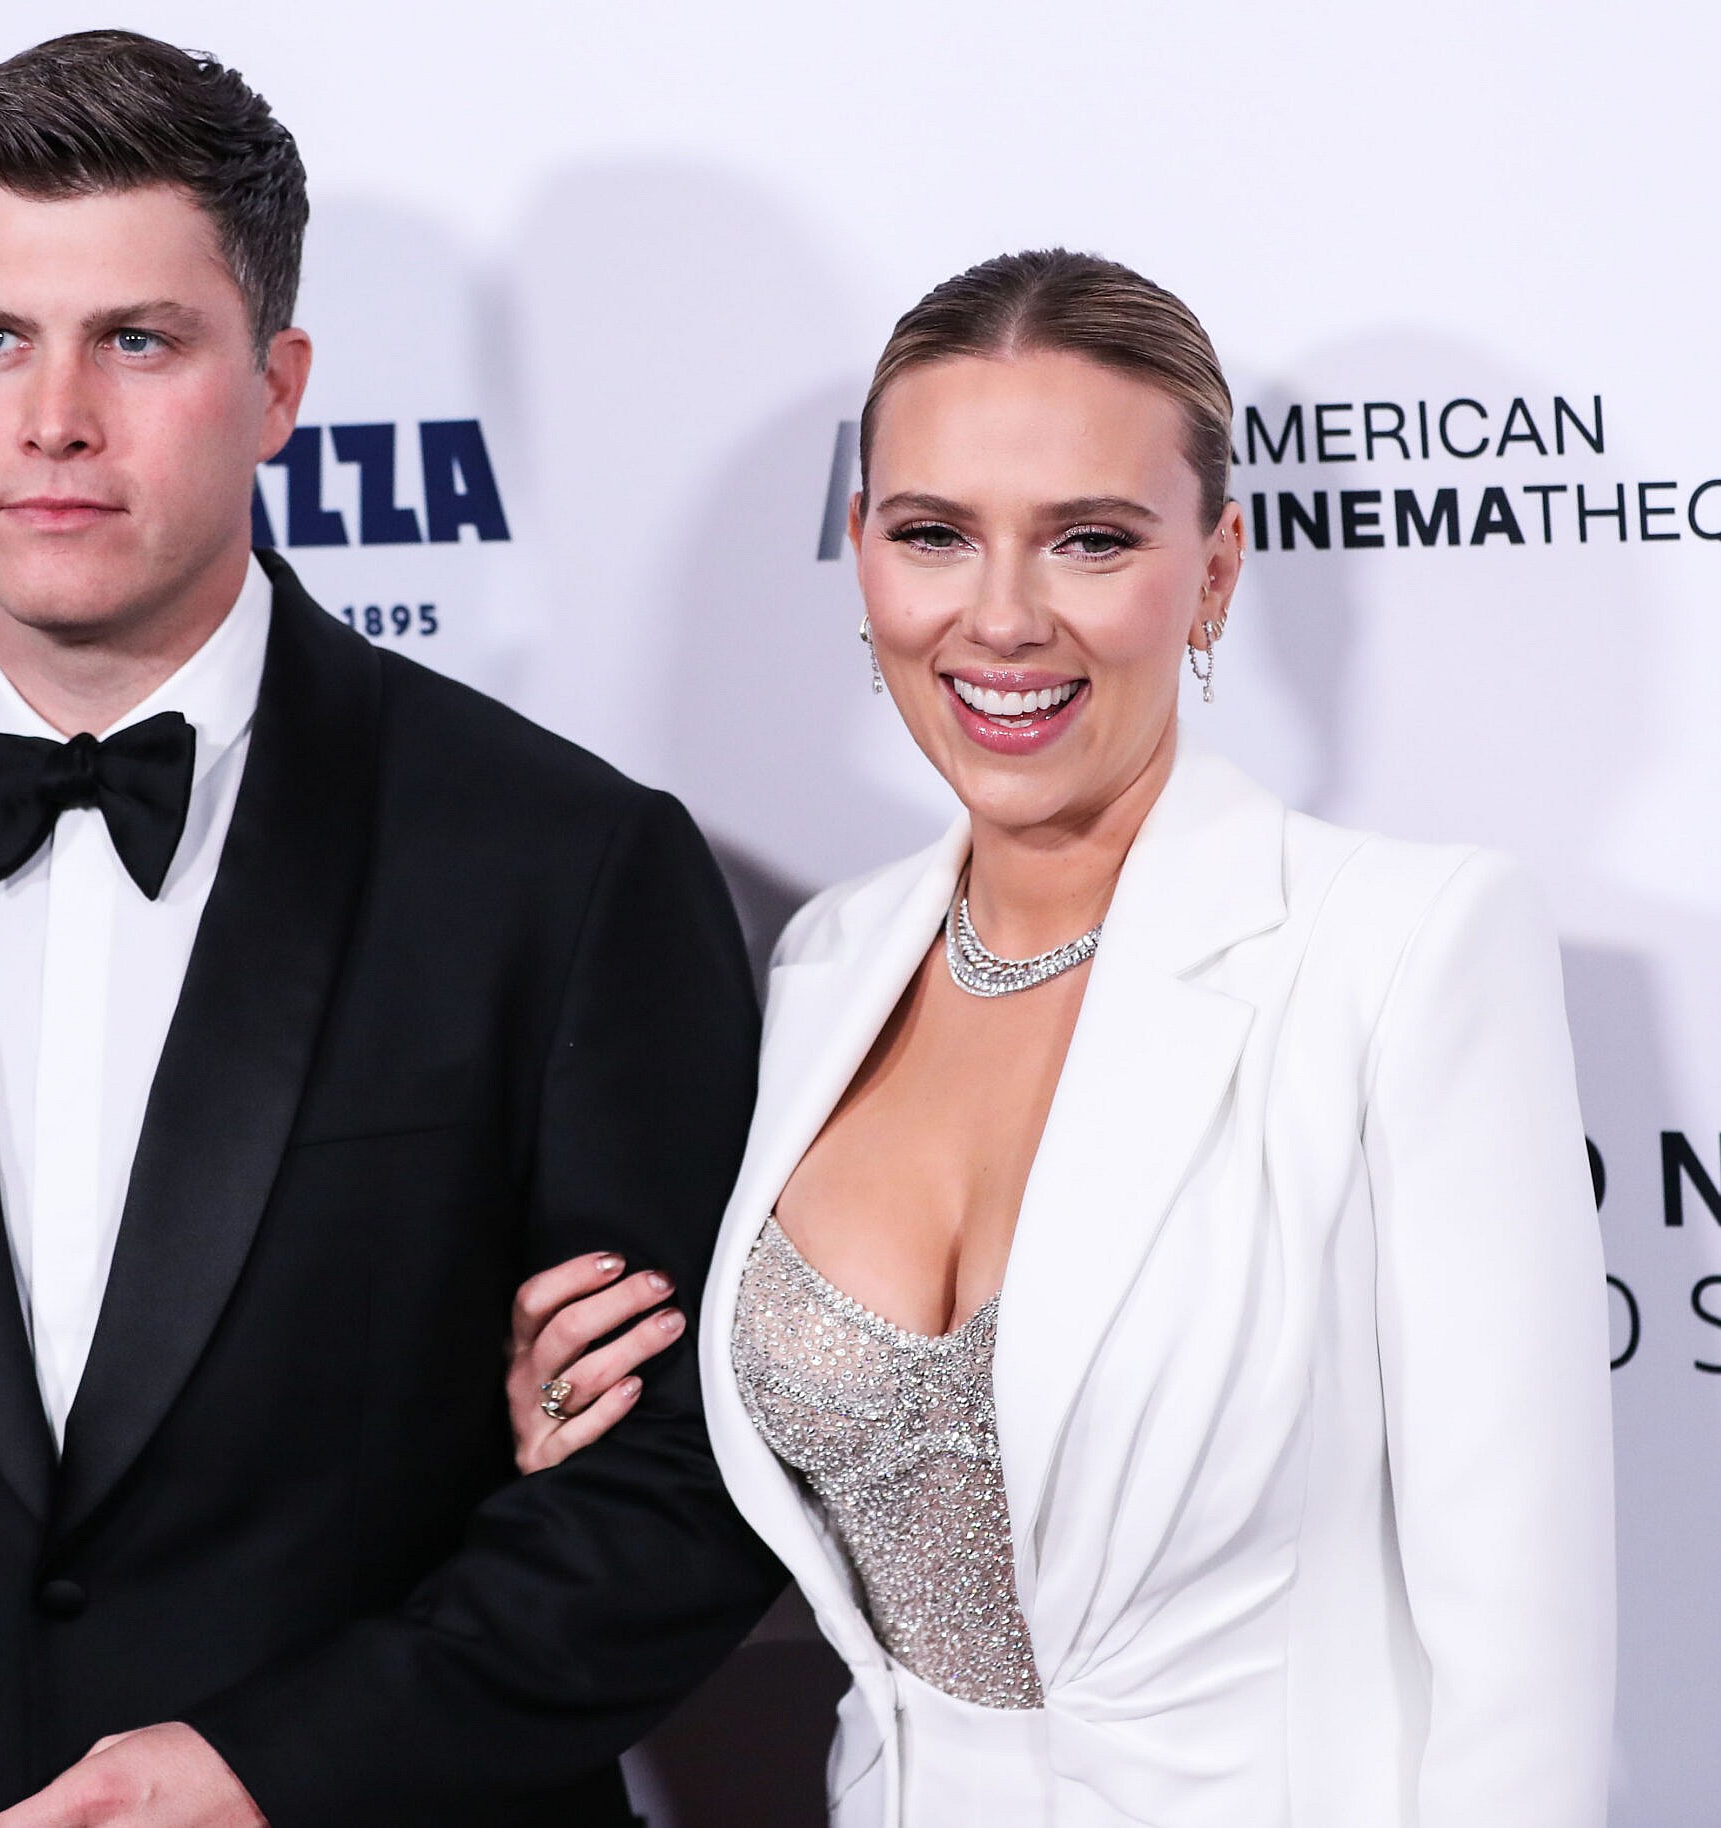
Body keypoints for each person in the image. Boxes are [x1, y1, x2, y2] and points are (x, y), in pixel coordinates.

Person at [0, 31, 780, 1828]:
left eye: (136, 342)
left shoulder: (561, 865)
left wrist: (274, 1765)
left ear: (279, 383)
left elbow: (689, 1496)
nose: (54, 418)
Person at [514, 250, 1615, 1825]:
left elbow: (1525, 1669)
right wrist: (578, 1439)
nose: (1004, 617)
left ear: (1217, 569)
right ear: (863, 560)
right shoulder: (829, 963)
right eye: (934, 536)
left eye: (1091, 539)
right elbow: (869, 1555)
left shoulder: (1402, 950)